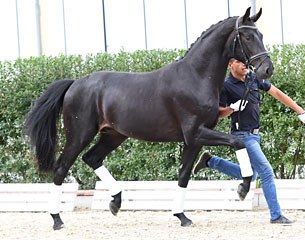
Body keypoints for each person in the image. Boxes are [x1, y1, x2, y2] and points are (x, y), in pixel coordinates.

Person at [193, 58, 305, 224]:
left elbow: (277, 93)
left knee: (250, 176)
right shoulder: (225, 86)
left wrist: (300, 111)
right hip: (242, 135)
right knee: (266, 171)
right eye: (239, 62)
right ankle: (276, 216)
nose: (244, 64)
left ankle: (210, 161)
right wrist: (232, 108)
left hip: (255, 135)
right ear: (230, 65)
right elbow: (218, 113)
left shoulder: (253, 78)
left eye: (244, 61)